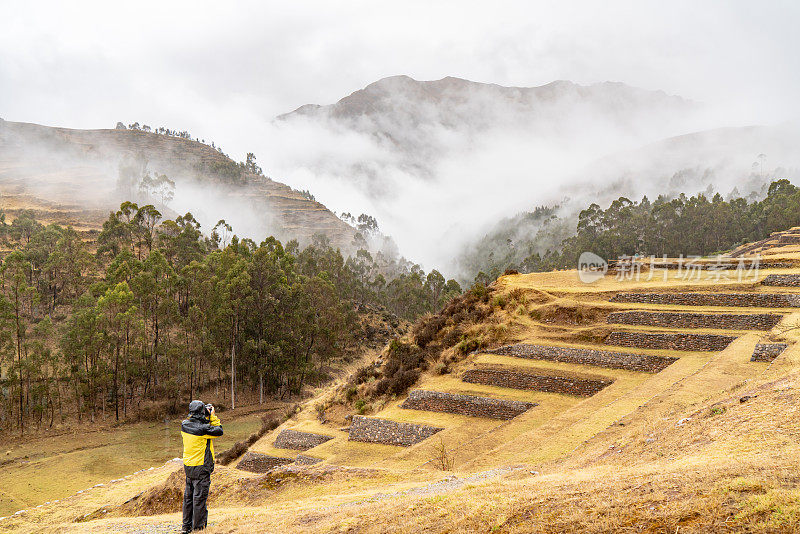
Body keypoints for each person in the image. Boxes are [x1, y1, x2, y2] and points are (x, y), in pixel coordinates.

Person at [181, 400, 223, 532]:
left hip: (188, 466)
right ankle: (199, 529)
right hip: (201, 467)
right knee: (199, 499)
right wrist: (212, 416)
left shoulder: (184, 424)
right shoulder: (203, 429)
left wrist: (204, 417)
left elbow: (200, 424)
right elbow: (219, 430)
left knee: (188, 498)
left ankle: (186, 527)